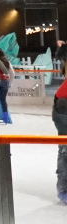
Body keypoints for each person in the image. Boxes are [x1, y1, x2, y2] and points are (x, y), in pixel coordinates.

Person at [52, 76, 67, 204]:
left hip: (60, 113)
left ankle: (63, 188)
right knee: (64, 152)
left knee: (64, 152)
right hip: (62, 113)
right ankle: (63, 189)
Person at [0, 48, 13, 124]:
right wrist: (10, 83)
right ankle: (6, 116)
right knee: (3, 100)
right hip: (5, 81)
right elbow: (11, 73)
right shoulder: (7, 61)